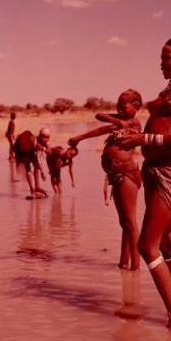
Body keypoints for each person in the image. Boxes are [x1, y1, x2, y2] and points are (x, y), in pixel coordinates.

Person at [116, 36, 171, 328]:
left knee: (146, 245)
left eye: (167, 57)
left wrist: (144, 138)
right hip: (153, 170)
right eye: (161, 57)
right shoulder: (169, 90)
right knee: (166, 241)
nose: (161, 62)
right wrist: (130, 138)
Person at [68, 89, 143, 279]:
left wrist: (118, 121)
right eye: (117, 106)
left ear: (137, 107)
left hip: (126, 173)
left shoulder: (134, 122)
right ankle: (123, 263)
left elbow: (117, 124)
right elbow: (99, 117)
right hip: (115, 174)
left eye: (123, 106)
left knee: (130, 222)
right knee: (124, 223)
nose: (119, 109)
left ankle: (135, 268)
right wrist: (79, 138)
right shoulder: (119, 122)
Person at [13, 127, 51, 198]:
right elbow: (38, 158)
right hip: (24, 150)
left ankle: (37, 187)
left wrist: (46, 149)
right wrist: (42, 172)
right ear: (40, 136)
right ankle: (32, 189)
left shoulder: (44, 143)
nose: (46, 139)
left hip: (31, 151)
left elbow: (45, 155)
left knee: (36, 168)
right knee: (28, 169)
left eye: (48, 138)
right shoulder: (35, 142)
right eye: (45, 137)